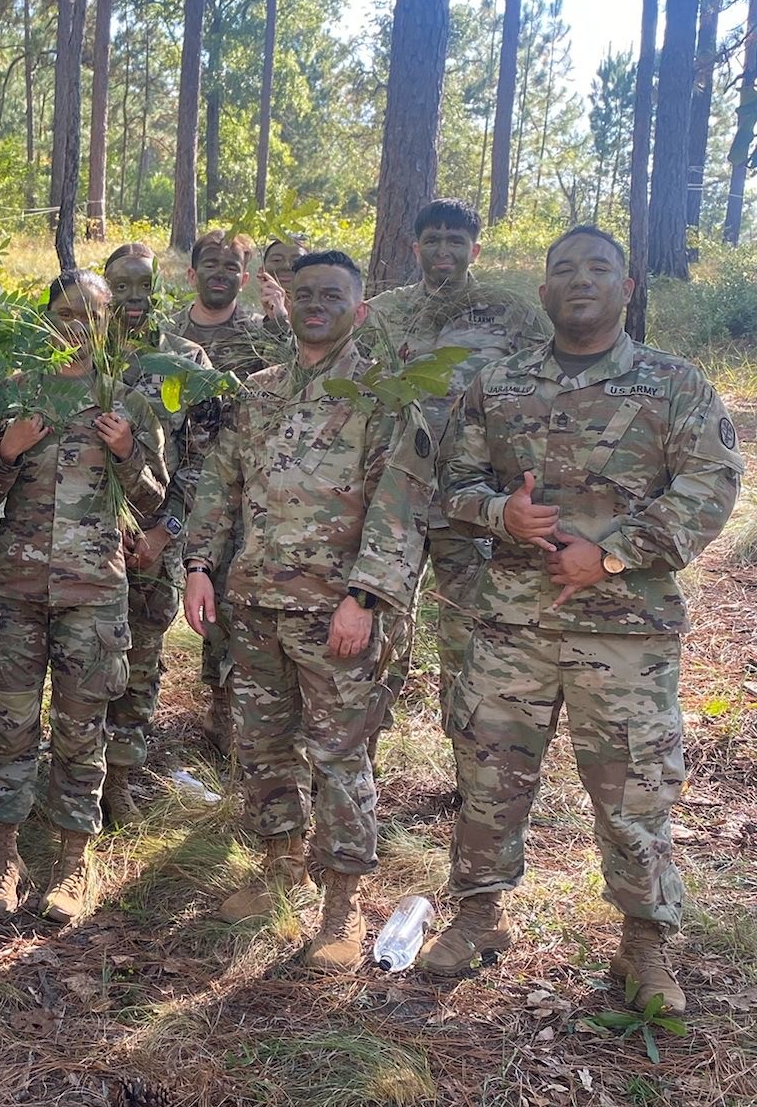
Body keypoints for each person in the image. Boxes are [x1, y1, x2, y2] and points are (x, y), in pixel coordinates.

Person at [419, 226, 742, 1013]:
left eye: (599, 268)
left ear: (628, 288)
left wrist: (612, 555)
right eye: (563, 269)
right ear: (544, 293)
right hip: (510, 626)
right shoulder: (496, 384)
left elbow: (711, 488)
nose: (580, 281)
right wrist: (501, 514)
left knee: (634, 791)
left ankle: (645, 945)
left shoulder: (674, 384)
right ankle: (480, 915)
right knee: (489, 777)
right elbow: (448, 483)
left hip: (624, 630)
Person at [183, 251, 431, 968]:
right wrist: (199, 567)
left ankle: (341, 906)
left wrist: (364, 599)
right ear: (286, 304)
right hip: (255, 606)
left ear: (359, 311)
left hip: (336, 616)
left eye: (332, 295)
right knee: (260, 747)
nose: (314, 304)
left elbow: (400, 509)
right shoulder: (258, 393)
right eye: (304, 294)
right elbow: (218, 486)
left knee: (339, 757)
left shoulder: (384, 400)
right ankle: (279, 872)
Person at [0, 271, 167, 925]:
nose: (76, 324)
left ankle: (73, 861)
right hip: (15, 590)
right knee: (9, 725)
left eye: (91, 313)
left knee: (82, 731)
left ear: (110, 323)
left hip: (93, 592)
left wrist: (126, 453)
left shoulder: (128, 401)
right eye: (64, 312)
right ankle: (3, 856)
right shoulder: (16, 395)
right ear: (46, 319)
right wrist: (7, 447)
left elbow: (155, 504)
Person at [363, 198, 550, 728]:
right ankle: (361, 765)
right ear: (414, 246)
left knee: (468, 635)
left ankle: (471, 770)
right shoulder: (385, 312)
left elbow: (545, 390)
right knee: (378, 630)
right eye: (434, 239)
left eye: (456, 240)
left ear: (475, 248)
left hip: (471, 500)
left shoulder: (510, 313)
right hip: (393, 499)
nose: (444, 250)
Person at [172, 230, 294, 749]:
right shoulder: (170, 336)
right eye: (211, 264)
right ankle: (217, 715)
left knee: (240, 599)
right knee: (201, 601)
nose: (220, 273)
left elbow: (297, 381)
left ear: (244, 278)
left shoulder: (260, 334)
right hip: (181, 485)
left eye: (231, 266)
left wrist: (280, 319)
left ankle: (242, 721)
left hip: (247, 491)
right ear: (192, 272)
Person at [101, 242, 210, 823]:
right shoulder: (83, 353)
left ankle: (121, 777)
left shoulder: (185, 361)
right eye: (121, 287)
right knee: (85, 660)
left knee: (141, 660)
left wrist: (165, 532)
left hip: (153, 544)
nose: (134, 299)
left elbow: (203, 461)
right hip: (88, 544)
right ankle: (76, 774)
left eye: (143, 286)